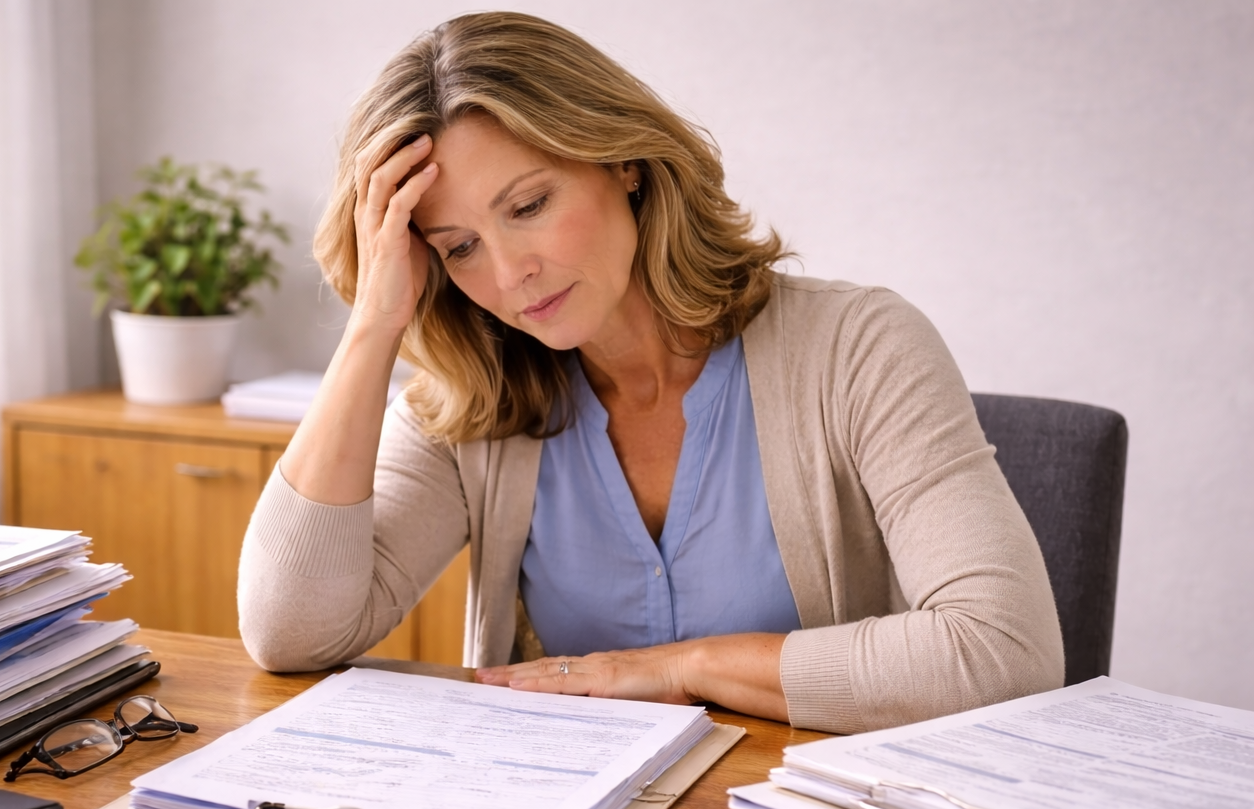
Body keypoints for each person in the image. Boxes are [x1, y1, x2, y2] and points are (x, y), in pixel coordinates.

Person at [237, 11, 1063, 733]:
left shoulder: (860, 348)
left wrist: (682, 669)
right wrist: (374, 324)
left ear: (622, 161)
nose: (510, 273)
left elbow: (1005, 651)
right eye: (460, 248)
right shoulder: (473, 404)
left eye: (529, 206)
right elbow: (290, 634)